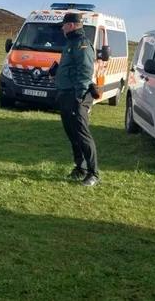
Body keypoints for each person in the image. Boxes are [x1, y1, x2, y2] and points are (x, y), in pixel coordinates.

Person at [50, 12, 99, 187]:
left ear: (71, 25)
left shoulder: (82, 44)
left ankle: (93, 173)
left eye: (64, 25)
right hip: (66, 93)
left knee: (82, 133)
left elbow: (85, 71)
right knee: (72, 133)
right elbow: (71, 68)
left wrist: (79, 96)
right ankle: (80, 168)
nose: (62, 28)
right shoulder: (70, 43)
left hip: (77, 95)